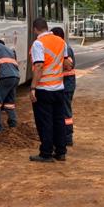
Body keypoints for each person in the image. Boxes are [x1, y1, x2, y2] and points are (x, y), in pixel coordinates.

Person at [29, 18, 73, 162]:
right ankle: (61, 152)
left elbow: (39, 66)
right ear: (47, 27)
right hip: (59, 88)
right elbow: (67, 63)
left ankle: (46, 153)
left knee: (45, 122)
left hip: (44, 89)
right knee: (58, 121)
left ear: (35, 29)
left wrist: (33, 87)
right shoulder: (61, 42)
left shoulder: (38, 43)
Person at [52, 27, 77, 146]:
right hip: (67, 84)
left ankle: (67, 137)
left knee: (66, 112)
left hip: (66, 85)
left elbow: (68, 66)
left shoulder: (64, 48)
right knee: (63, 111)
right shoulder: (65, 47)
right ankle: (64, 136)